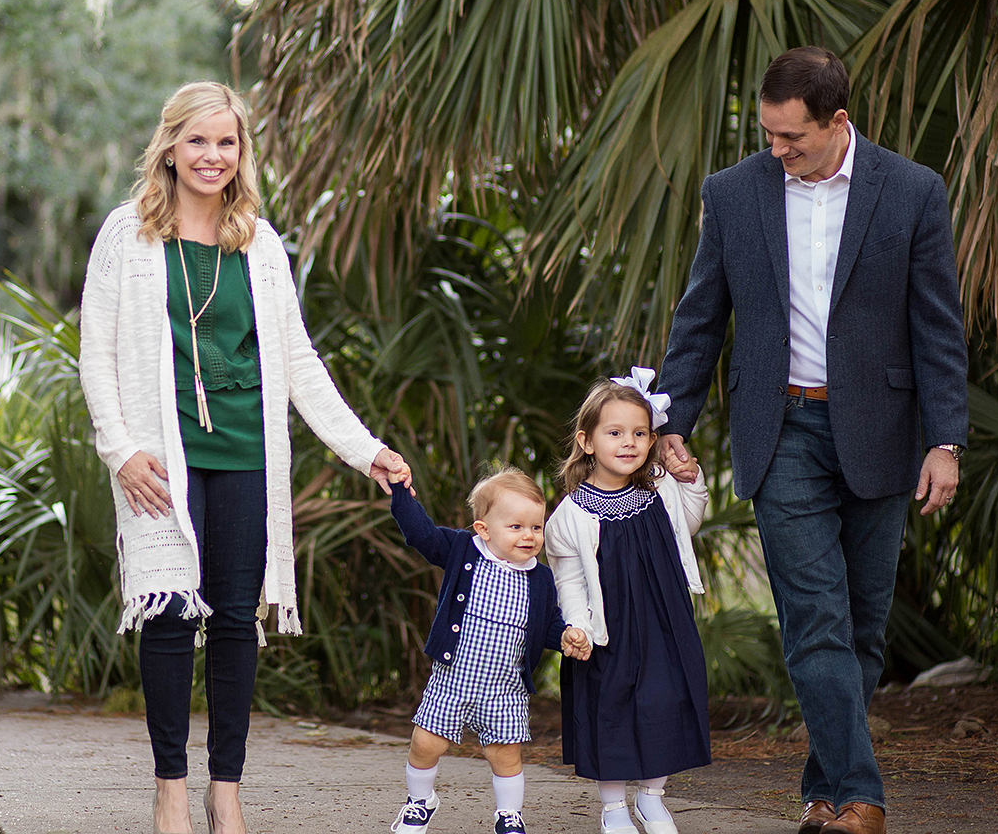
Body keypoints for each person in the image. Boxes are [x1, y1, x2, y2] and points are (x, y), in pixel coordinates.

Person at [78, 81, 411, 834]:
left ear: (241, 153)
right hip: (160, 462)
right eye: (197, 140)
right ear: (169, 146)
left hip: (245, 455)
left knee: (233, 620)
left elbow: (297, 362)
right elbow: (94, 353)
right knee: (167, 615)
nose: (212, 156)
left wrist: (367, 452)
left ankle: (225, 790)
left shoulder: (259, 245)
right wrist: (120, 450)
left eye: (226, 142)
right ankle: (171, 787)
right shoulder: (126, 234)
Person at [653, 47, 968, 834]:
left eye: (792, 138)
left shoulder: (912, 191)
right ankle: (863, 798)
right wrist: (671, 419)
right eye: (767, 134)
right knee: (816, 619)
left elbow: (938, 326)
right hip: (780, 427)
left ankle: (823, 791)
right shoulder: (732, 194)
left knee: (861, 627)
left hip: (883, 432)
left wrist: (947, 441)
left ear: (838, 122)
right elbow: (701, 315)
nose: (777, 151)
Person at [545, 370, 711, 834]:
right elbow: (570, 582)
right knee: (610, 707)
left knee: (664, 700)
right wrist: (577, 625)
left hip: (664, 617)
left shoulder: (660, 488)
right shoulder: (569, 518)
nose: (629, 442)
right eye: (614, 432)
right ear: (587, 441)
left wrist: (691, 480)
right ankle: (614, 806)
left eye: (640, 433)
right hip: (607, 628)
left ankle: (653, 797)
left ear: (653, 439)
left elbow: (689, 526)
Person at [385, 470, 592, 834]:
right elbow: (422, 534)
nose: (529, 536)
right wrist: (402, 493)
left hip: (505, 687)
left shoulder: (540, 578)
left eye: (536, 527)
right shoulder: (463, 551)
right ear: (484, 529)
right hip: (453, 678)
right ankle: (420, 801)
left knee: (506, 753)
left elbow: (546, 625)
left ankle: (509, 814)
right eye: (516, 527)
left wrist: (565, 637)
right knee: (425, 742)